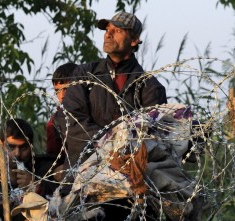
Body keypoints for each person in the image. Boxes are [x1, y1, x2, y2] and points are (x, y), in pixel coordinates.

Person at [56, 11, 167, 169]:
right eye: (107, 30)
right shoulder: (85, 74)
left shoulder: (150, 87)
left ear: (134, 40)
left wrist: (120, 152)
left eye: (117, 31)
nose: (108, 35)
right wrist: (110, 144)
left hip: (130, 179)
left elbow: (152, 136)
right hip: (82, 173)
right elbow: (71, 119)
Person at [4, 118, 58, 197]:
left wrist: (37, 187)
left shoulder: (47, 169)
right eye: (11, 147)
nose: (17, 154)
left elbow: (63, 192)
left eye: (23, 148)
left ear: (31, 146)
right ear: (1, 145)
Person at [46, 62, 77, 158]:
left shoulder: (97, 110)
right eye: (57, 91)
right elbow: (54, 157)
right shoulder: (54, 123)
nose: (62, 96)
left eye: (66, 89)